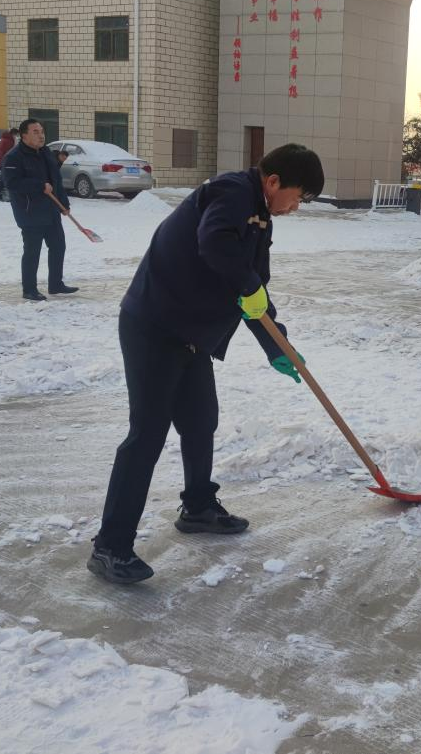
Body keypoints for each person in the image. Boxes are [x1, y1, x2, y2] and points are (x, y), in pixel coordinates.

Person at [89, 144, 324, 584]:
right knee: (147, 435)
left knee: (200, 422)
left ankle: (197, 507)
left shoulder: (260, 217)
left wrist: (277, 346)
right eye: (299, 196)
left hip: (190, 335)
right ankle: (110, 546)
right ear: (274, 181)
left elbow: (254, 293)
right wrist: (248, 287)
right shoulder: (232, 192)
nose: (297, 206)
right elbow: (214, 244)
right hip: (154, 326)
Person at [2, 119, 76, 302]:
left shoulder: (45, 152)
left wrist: (64, 204)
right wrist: (39, 185)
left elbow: (56, 180)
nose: (41, 135)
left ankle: (56, 284)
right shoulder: (13, 157)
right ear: (24, 135)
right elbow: (12, 183)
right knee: (32, 251)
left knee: (58, 246)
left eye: (42, 131)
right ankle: (29, 289)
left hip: (51, 210)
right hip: (30, 212)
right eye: (35, 132)